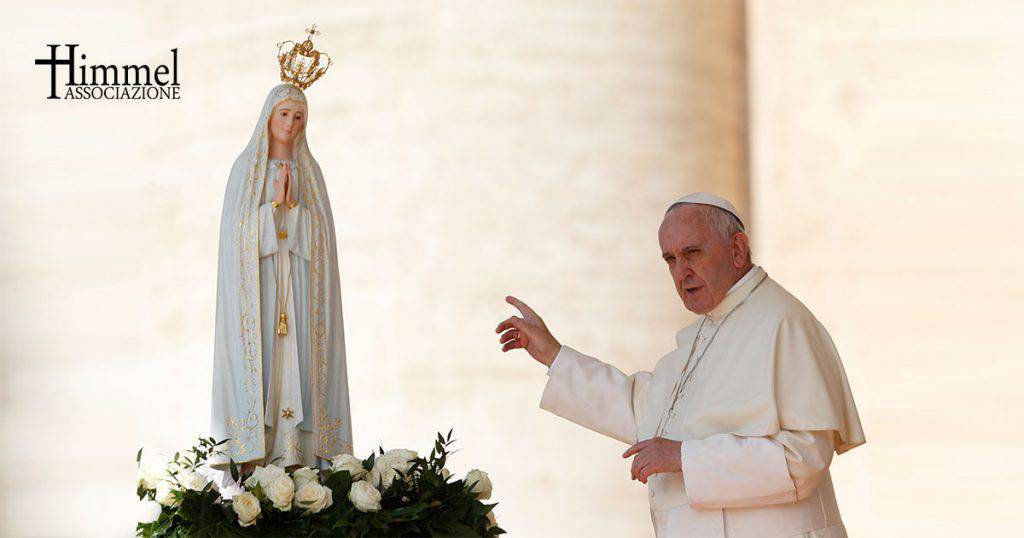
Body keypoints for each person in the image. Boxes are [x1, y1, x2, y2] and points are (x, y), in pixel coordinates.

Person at [496, 193, 865, 537]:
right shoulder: (709, 329)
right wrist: (553, 355)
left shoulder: (783, 322)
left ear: (737, 249)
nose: (680, 271)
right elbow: (644, 410)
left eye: (692, 253)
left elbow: (804, 458)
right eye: (670, 259)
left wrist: (683, 456)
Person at [210, 82, 352, 474]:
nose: (291, 123)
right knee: (265, 363)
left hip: (301, 293)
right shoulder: (246, 169)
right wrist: (272, 207)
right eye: (285, 114)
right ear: (269, 117)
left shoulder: (310, 172)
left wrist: (294, 209)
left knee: (303, 364)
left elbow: (322, 241)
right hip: (262, 291)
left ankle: (303, 463)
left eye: (299, 116)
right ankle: (257, 463)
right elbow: (235, 241)